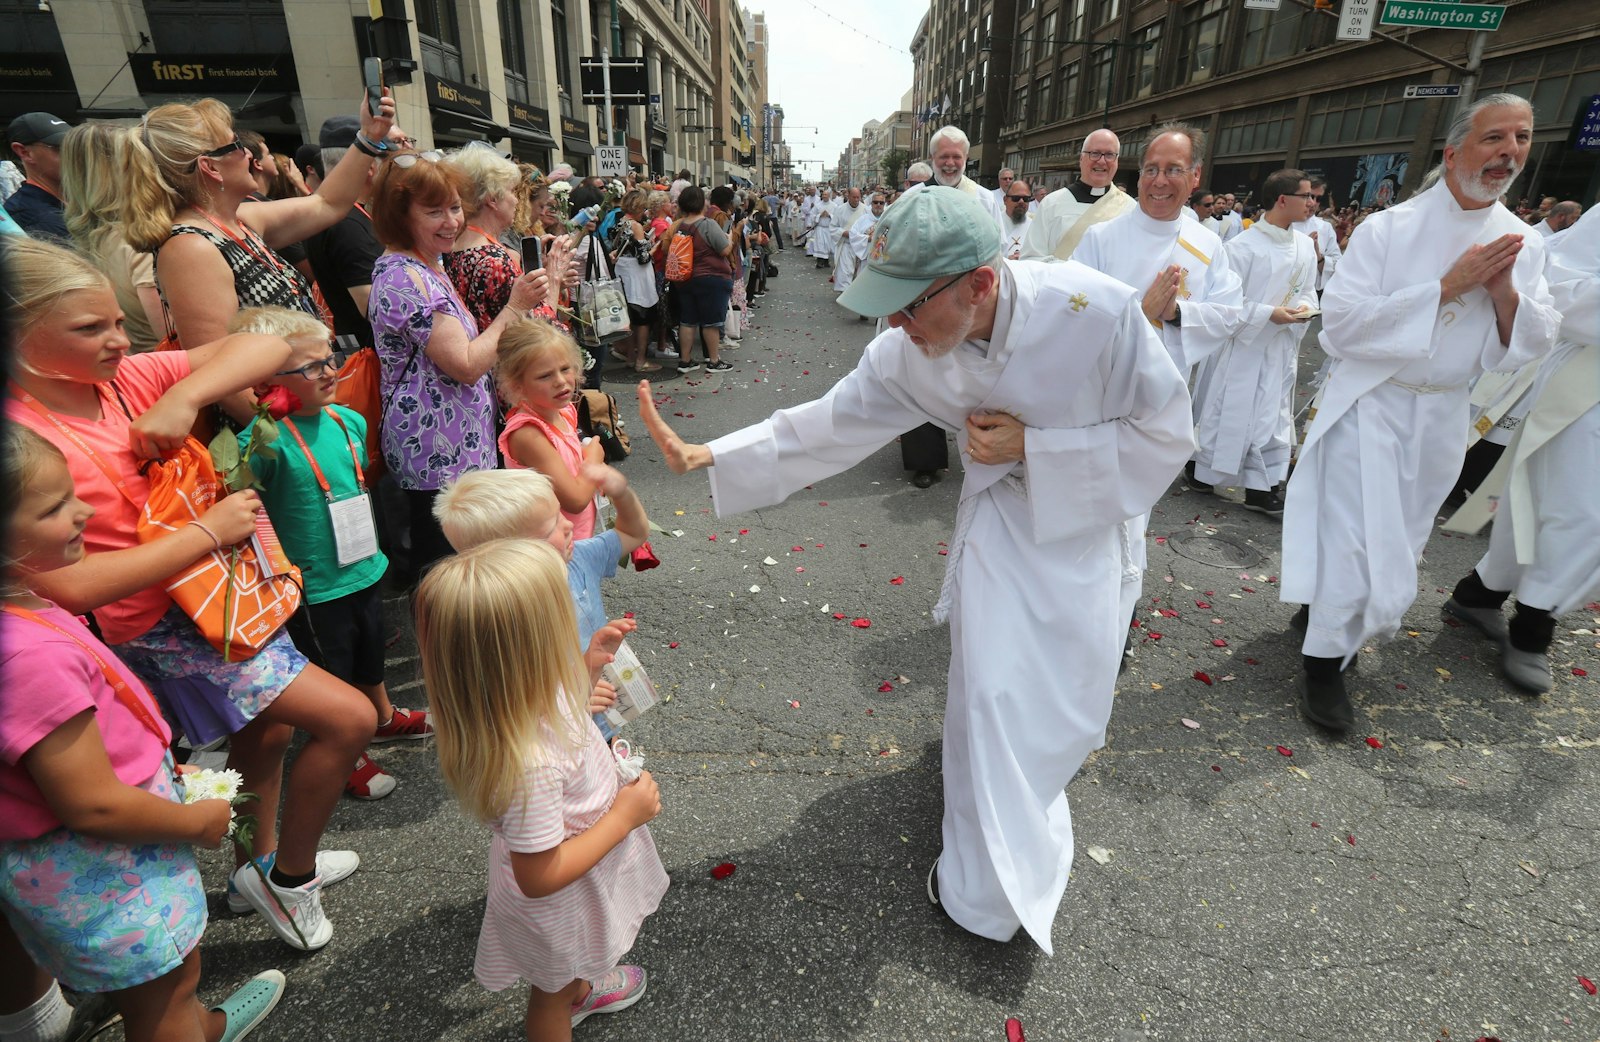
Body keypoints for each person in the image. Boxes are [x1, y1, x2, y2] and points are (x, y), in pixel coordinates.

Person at [633, 188, 1194, 953]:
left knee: (1066, 706)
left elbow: (1166, 433)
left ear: (981, 284)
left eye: (908, 304)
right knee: (993, 690)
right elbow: (829, 423)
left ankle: (1006, 818)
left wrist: (1037, 449)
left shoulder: (1094, 313)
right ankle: (985, 886)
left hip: (1089, 527)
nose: (893, 322)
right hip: (1003, 529)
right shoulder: (906, 350)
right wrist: (708, 454)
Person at [4, 237, 372, 952]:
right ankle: (289, 880)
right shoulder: (18, 436)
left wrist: (184, 393)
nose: (117, 339)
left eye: (119, 321)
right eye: (90, 328)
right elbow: (61, 585)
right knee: (347, 718)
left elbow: (276, 345)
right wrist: (205, 533)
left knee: (264, 731)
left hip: (218, 603)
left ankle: (255, 871)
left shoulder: (122, 382)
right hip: (151, 627)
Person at [1280, 94, 1561, 732]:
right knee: (1354, 537)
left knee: (1402, 535)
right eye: (1494, 138)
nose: (1508, 152)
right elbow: (1341, 327)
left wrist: (1503, 292)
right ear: (1454, 152)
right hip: (1372, 403)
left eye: (1521, 138)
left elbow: (1533, 343)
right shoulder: (1388, 230)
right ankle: (1324, 665)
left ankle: (1329, 618)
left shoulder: (1524, 246)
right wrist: (1445, 287)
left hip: (1442, 413)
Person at [0, 424, 288, 1042]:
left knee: (152, 985)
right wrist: (199, 822)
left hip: (68, 857)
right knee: (166, 990)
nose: (82, 512)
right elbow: (94, 803)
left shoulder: (20, 601)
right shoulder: (27, 656)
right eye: (53, 508)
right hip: (104, 863)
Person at [414, 539, 667, 1042]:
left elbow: (557, 701)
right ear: (528, 651)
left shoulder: (518, 697)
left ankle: (579, 988)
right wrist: (623, 817)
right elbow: (539, 874)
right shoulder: (527, 764)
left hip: (577, 873)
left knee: (571, 968)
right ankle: (566, 1001)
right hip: (560, 895)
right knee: (548, 994)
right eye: (560, 621)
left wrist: (587, 668)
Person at [228, 306, 435, 802]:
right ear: (263, 379)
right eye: (310, 367)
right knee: (332, 667)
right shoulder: (261, 441)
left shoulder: (347, 419)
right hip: (314, 584)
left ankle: (382, 717)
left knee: (371, 648)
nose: (329, 371)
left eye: (329, 359)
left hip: (365, 565)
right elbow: (238, 502)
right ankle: (346, 751)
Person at [366, 148, 551, 576]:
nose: (451, 222)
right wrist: (516, 305)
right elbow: (466, 364)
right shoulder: (404, 277)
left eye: (454, 208)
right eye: (435, 211)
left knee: (466, 560)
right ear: (399, 215)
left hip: (454, 444)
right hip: (435, 451)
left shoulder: (427, 265)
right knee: (448, 571)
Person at [1441, 204, 1600, 693]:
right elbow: (1559, 290)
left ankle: (1481, 591)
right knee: (1578, 511)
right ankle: (1532, 629)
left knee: (1544, 499)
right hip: (1589, 384)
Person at [121, 93, 394, 366]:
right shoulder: (191, 247)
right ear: (211, 167)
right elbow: (219, 370)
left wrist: (369, 137)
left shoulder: (235, 220)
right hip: (270, 408)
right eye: (236, 145)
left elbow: (327, 203)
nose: (249, 154)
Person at [435, 463, 651, 740]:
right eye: (551, 527)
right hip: (555, 737)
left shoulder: (578, 559)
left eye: (560, 512)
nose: (569, 524)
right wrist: (572, 698)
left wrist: (622, 494)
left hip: (598, 710)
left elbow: (634, 533)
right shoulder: (499, 615)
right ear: (510, 557)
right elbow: (506, 698)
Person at [1190, 168, 1319, 518]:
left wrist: (1306, 307)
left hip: (1279, 349)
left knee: (1271, 418)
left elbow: (1308, 288)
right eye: (1306, 196)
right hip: (1242, 347)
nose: (1312, 203)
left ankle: (1262, 487)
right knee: (1230, 413)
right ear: (1282, 199)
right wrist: (1266, 314)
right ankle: (1203, 469)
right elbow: (1222, 302)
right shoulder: (1242, 248)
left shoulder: (1306, 245)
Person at [59, 122, 165, 353]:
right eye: (138, 156)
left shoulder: (95, 238)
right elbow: (173, 338)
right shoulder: (138, 241)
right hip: (166, 375)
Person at [496, 321, 602, 541]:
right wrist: (594, 460)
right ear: (517, 385)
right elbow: (574, 501)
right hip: (551, 550)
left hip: (576, 538)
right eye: (545, 376)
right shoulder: (528, 434)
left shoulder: (564, 412)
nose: (561, 381)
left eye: (565, 369)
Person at [444, 144, 565, 336]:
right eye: (511, 191)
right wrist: (554, 276)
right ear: (492, 199)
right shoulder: (494, 261)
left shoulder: (453, 247)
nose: (516, 200)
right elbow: (541, 331)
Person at [1021, 128, 1133, 261]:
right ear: (1081, 158)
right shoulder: (1051, 204)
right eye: (1095, 153)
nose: (1102, 161)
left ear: (1117, 161)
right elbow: (1030, 260)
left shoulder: (1130, 208)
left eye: (1109, 155)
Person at [662, 185, 734, 373]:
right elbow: (724, 249)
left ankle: (685, 361)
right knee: (711, 321)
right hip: (710, 277)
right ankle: (714, 360)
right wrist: (731, 239)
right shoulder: (708, 224)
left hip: (684, 278)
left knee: (688, 320)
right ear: (702, 203)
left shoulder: (678, 225)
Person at [609, 188, 664, 373]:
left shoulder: (620, 222)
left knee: (629, 317)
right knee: (643, 316)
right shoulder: (636, 226)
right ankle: (641, 359)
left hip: (622, 271)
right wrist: (655, 247)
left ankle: (631, 357)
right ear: (639, 206)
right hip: (637, 275)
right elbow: (643, 258)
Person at [5, 113, 69, 239]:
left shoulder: (80, 202)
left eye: (75, 147)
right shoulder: (35, 219)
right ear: (25, 152)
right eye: (60, 148)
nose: (74, 156)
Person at [1290, 177, 1342, 295]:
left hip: (1310, 294)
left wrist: (1318, 256)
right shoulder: (1284, 221)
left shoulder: (1325, 227)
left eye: (1318, 199)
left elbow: (1338, 265)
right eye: (1309, 196)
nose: (1313, 203)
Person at [1000, 179, 1033, 260]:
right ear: (1005, 200)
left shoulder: (1035, 226)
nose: (1021, 201)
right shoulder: (994, 223)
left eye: (1026, 199)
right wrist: (1007, 261)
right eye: (1016, 198)